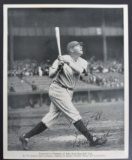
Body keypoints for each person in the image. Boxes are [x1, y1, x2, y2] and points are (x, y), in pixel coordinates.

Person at [19, 41, 107, 150]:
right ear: (71, 49)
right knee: (74, 115)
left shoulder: (83, 62)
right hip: (58, 88)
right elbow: (51, 75)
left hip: (68, 91)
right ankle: (92, 139)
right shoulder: (61, 59)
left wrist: (68, 63)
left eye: (81, 45)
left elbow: (80, 71)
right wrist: (58, 68)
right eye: (78, 46)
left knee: (50, 118)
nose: (81, 47)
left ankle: (25, 137)